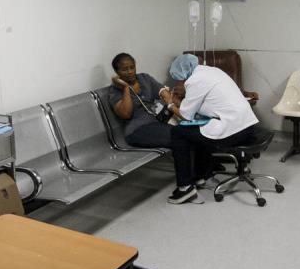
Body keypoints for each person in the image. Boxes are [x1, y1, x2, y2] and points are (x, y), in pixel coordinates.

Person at [166, 54, 259, 204]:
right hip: (247, 126)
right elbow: (206, 104)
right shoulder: (213, 71)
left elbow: (185, 116)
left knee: (178, 133)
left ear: (182, 73)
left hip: (235, 131)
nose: (179, 82)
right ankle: (204, 176)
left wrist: (169, 102)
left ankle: (185, 189)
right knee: (199, 129)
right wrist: (183, 98)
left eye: (178, 79)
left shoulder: (194, 81)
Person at [108, 53, 200, 203]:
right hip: (137, 130)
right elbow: (125, 113)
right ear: (117, 72)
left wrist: (171, 102)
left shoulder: (144, 78)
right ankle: (186, 187)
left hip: (158, 122)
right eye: (125, 69)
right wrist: (125, 88)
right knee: (180, 137)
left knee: (190, 130)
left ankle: (200, 175)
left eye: (132, 67)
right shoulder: (114, 91)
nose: (130, 71)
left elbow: (163, 92)